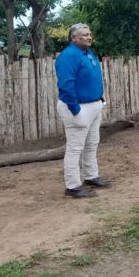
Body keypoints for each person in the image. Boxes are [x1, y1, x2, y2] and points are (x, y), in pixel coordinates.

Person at [56, 23, 111, 198]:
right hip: (78, 108)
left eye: (89, 34)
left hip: (93, 105)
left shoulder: (88, 54)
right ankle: (72, 186)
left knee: (92, 142)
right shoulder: (69, 56)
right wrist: (75, 111)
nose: (89, 37)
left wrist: (99, 99)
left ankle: (91, 176)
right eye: (84, 35)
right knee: (75, 147)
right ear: (73, 38)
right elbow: (66, 85)